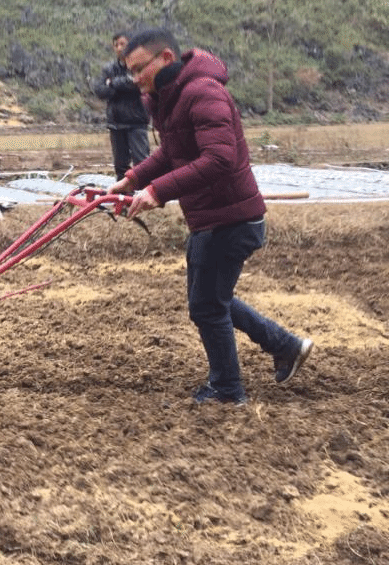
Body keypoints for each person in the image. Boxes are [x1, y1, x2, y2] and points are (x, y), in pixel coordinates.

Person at [108, 28, 313, 406]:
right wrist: (134, 178)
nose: (134, 79)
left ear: (166, 58)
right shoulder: (168, 97)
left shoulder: (203, 92)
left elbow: (219, 158)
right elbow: (173, 152)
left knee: (206, 305)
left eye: (138, 69)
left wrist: (157, 192)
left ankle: (227, 389)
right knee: (211, 300)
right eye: (129, 71)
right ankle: (286, 346)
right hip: (213, 216)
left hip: (230, 219)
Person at [93, 31, 151, 179]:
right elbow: (99, 90)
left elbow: (137, 83)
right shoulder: (109, 68)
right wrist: (123, 85)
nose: (119, 48)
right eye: (116, 45)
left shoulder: (139, 65)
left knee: (142, 163)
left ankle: (145, 191)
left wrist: (112, 83)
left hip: (136, 122)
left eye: (122, 44)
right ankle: (123, 193)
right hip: (116, 123)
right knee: (120, 166)